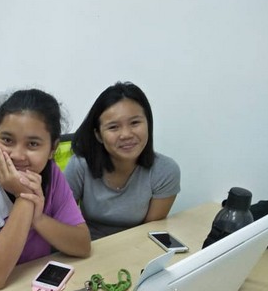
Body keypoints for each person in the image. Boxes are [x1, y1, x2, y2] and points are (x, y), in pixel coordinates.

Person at [0, 89, 91, 290]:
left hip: (29, 286)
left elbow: (82, 245)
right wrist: (25, 197)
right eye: (7, 140)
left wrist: (38, 220)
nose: (17, 155)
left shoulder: (49, 173)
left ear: (52, 149)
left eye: (33, 144)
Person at [64, 81, 181, 240]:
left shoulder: (165, 171)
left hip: (136, 246)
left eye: (135, 123)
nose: (126, 134)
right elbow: (64, 222)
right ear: (98, 135)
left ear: (148, 124)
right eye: (113, 127)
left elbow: (150, 232)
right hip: (88, 246)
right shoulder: (80, 165)